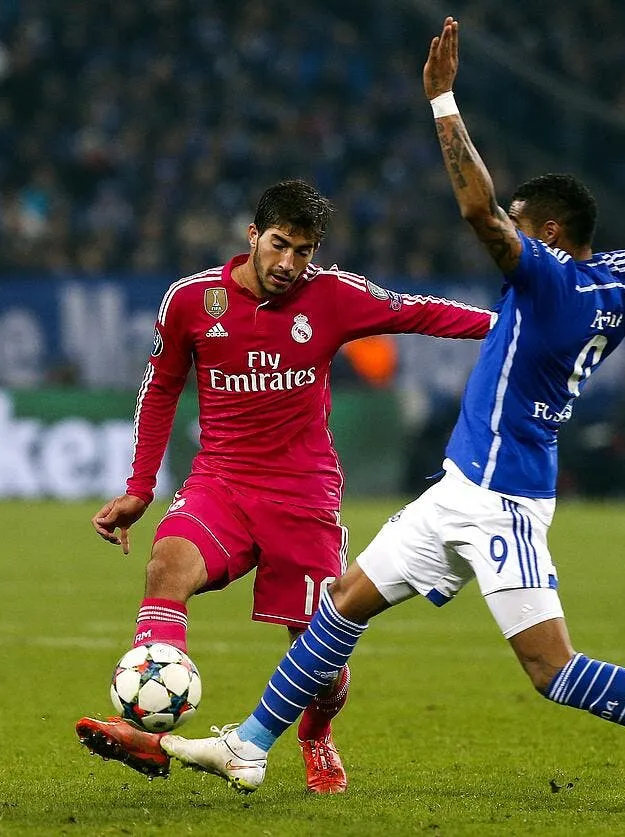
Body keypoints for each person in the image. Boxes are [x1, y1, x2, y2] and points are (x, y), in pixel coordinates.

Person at [153, 17, 625, 816]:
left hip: (501, 496)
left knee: (553, 669)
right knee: (342, 603)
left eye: (523, 224)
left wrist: (444, 99)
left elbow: (481, 212)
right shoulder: (624, 276)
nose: (508, 232)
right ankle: (249, 744)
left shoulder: (549, 281)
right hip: (462, 486)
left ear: (549, 235)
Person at [74, 178, 493, 793]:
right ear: (252, 237)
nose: (290, 264)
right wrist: (140, 487)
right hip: (221, 482)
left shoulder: (333, 296)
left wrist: (512, 325)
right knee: (167, 567)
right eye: (279, 245)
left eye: (304, 251)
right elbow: (160, 388)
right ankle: (147, 725)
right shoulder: (191, 301)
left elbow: (419, 312)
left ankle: (315, 734)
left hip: (303, 495)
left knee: (323, 660)